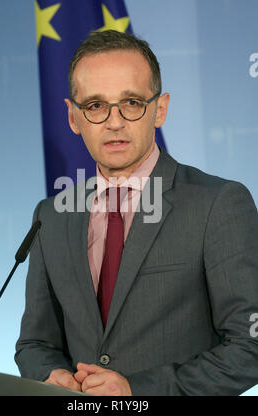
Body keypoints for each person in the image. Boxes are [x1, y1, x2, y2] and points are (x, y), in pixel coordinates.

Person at [15, 30, 258, 396]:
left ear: (159, 109)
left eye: (131, 102)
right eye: (95, 105)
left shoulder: (218, 203)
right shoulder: (52, 215)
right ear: (73, 117)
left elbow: (250, 347)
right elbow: (34, 344)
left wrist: (138, 391)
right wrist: (52, 377)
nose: (114, 122)